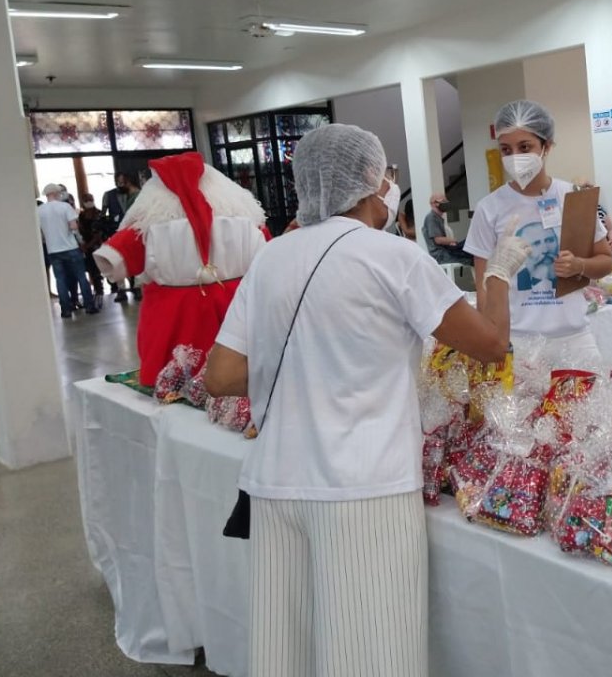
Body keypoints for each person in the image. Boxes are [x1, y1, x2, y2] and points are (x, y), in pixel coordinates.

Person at [204, 123, 528, 677]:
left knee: (286, 651)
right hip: (363, 487)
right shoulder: (392, 256)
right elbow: (492, 345)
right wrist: (497, 273)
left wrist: (311, 369)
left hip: (275, 485)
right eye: (387, 175)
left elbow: (222, 374)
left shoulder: (271, 258)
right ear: (372, 182)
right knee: (374, 652)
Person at [94, 153, 270, 387]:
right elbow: (268, 255)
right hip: (235, 304)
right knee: (242, 371)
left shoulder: (150, 221)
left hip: (174, 312)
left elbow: (113, 259)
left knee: (175, 373)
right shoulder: (242, 215)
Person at [465, 100, 612, 367]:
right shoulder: (489, 209)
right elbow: (483, 289)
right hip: (519, 341)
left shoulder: (573, 198)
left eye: (525, 147)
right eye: (506, 149)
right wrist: (489, 346)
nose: (515, 157)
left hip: (575, 338)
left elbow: (605, 261)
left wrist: (579, 265)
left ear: (547, 146)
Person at [38, 184, 99, 319]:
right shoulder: (65, 207)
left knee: (60, 279)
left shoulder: (39, 210)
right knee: (81, 276)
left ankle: (66, 309)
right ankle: (89, 305)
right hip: (71, 247)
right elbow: (74, 227)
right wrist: (81, 242)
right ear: (56, 193)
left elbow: (40, 233)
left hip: (53, 250)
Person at [102, 173, 141, 302]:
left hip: (131, 230)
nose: (120, 184)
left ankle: (137, 286)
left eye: (123, 182)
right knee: (117, 260)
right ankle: (121, 289)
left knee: (134, 258)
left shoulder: (135, 194)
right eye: (118, 181)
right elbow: (103, 213)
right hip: (116, 231)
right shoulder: (109, 195)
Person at [422, 194, 472, 265]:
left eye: (446, 201)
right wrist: (453, 240)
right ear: (434, 203)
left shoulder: (438, 218)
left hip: (446, 251)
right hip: (441, 255)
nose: (445, 203)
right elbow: (438, 240)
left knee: (469, 248)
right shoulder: (431, 218)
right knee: (469, 257)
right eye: (443, 201)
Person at [78, 193, 106, 299]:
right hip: (87, 247)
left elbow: (100, 233)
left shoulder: (99, 214)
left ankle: (111, 289)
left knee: (103, 267)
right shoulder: (81, 216)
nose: (89, 202)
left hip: (98, 245)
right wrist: (83, 245)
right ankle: (98, 290)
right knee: (92, 270)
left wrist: (89, 245)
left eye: (90, 199)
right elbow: (80, 230)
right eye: (86, 200)